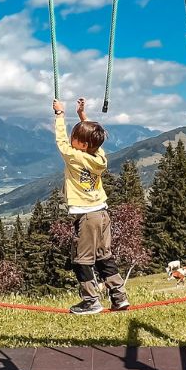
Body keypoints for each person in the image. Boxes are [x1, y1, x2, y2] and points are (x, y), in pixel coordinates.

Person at [53, 97, 130, 314]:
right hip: (102, 213)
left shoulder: (74, 157)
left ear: (83, 145)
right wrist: (82, 117)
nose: (70, 139)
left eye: (75, 137)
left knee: (82, 260)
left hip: (86, 216)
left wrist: (60, 115)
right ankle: (119, 296)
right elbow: (95, 139)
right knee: (104, 256)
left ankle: (90, 300)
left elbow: (60, 141)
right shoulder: (99, 157)